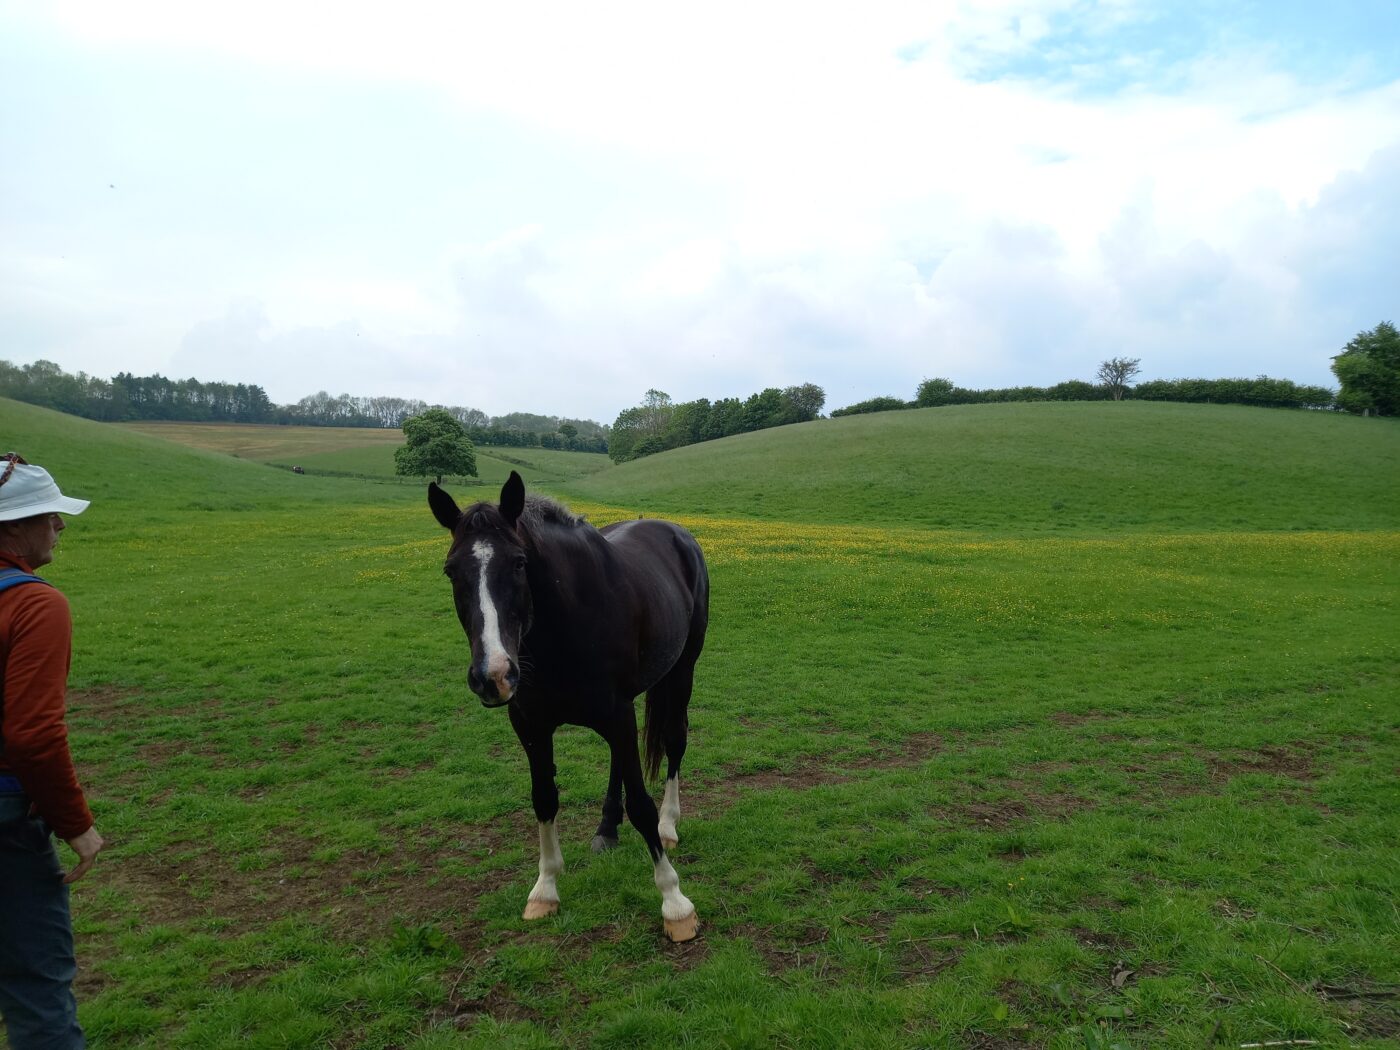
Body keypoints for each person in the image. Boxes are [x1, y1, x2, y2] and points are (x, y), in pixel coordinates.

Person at [0, 453, 103, 1048]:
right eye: (49, 516)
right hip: (6, 826)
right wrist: (76, 824)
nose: (59, 526)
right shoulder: (34, 603)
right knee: (37, 990)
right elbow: (32, 736)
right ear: (13, 527)